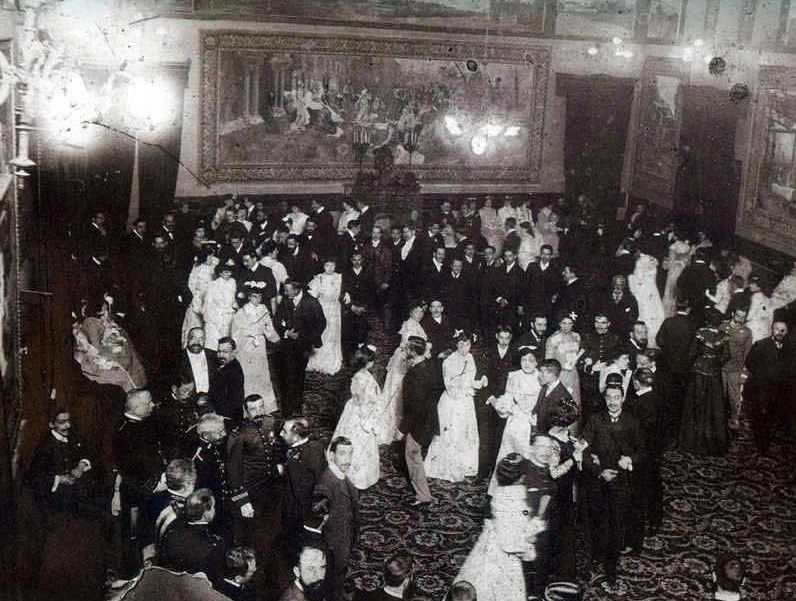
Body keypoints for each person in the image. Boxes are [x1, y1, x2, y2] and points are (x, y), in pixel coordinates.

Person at [581, 385, 645, 593]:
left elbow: (643, 451)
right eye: (609, 397)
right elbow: (583, 449)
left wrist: (631, 460)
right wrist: (599, 470)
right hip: (598, 480)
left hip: (622, 482)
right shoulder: (595, 420)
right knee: (596, 519)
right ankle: (595, 556)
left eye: (617, 397)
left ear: (623, 398)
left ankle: (611, 567)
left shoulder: (632, 421)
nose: (613, 401)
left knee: (617, 524)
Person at [455, 454, 544, 601]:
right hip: (504, 557)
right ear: (521, 477)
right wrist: (535, 528)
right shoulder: (518, 503)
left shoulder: (499, 493)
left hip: (489, 545)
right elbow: (512, 543)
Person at [424, 331, 486, 483]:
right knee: (453, 432)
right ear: (456, 345)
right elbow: (451, 386)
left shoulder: (470, 358)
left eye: (468, 344)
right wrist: (471, 386)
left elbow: (469, 379)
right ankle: (447, 467)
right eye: (461, 344)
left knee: (465, 433)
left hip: (465, 400)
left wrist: (478, 383)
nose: (465, 348)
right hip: (453, 401)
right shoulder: (449, 361)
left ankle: (464, 466)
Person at [488, 348, 541, 494]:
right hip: (515, 420)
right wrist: (504, 406)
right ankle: (502, 490)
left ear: (536, 362)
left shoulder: (540, 377)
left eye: (531, 360)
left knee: (526, 455)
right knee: (509, 452)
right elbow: (507, 397)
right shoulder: (513, 376)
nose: (527, 364)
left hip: (531, 422)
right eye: (524, 360)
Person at [72, 294, 147, 392]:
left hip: (108, 359)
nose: (106, 315)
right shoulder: (91, 323)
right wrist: (115, 345)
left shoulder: (99, 322)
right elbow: (97, 349)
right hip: (101, 365)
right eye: (103, 313)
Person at [331, 346, 381, 490]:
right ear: (370, 363)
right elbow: (365, 402)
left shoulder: (357, 374)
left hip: (352, 411)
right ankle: (357, 477)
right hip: (361, 414)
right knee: (360, 444)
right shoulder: (365, 378)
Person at [315, 437, 359, 601]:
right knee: (331, 583)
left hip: (344, 542)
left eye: (350, 453)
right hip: (333, 547)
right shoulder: (325, 484)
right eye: (342, 454)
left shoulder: (342, 477)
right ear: (331, 455)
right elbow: (317, 524)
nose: (348, 459)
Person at [275, 281, 327, 417]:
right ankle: (287, 408)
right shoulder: (285, 302)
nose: (285, 293)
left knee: (299, 375)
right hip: (287, 346)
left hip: (303, 346)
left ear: (297, 289)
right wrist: (286, 333)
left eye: (288, 290)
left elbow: (321, 323)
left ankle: (297, 406)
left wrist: (305, 337)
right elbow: (276, 321)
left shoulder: (311, 302)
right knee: (286, 375)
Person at [380, 300, 427, 445]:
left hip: (410, 357)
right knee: (399, 390)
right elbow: (410, 348)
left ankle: (403, 426)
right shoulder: (409, 325)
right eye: (417, 311)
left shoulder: (416, 324)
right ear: (411, 311)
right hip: (405, 359)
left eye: (422, 312)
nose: (420, 314)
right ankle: (394, 426)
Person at [281, 417, 328, 562]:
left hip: (300, 510)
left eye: (284, 431)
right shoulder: (318, 446)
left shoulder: (294, 459)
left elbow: (298, 491)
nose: (281, 434)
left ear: (295, 437)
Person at [157, 488, 226, 586]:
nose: (215, 509)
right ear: (206, 514)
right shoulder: (214, 544)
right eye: (213, 507)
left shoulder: (173, 527)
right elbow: (215, 581)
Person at [230, 286, 281, 415]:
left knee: (261, 373)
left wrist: (275, 339)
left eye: (259, 297)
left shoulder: (263, 310)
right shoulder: (242, 312)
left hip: (259, 345)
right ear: (249, 297)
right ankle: (247, 407)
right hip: (246, 345)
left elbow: (268, 327)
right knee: (247, 374)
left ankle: (264, 406)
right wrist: (236, 345)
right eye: (254, 296)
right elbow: (235, 331)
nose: (257, 299)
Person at [743, 319, 789, 454]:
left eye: (783, 330)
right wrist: (762, 376)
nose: (779, 333)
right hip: (761, 388)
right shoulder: (761, 345)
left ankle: (766, 439)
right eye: (777, 329)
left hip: (779, 390)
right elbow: (750, 363)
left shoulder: (789, 347)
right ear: (771, 329)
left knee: (772, 416)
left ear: (786, 332)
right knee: (760, 416)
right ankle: (762, 444)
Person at [720, 307, 753, 431]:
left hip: (736, 368)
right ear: (733, 313)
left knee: (734, 395)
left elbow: (747, 353)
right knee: (720, 394)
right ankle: (720, 418)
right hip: (722, 367)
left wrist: (744, 371)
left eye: (743, 317)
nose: (740, 319)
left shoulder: (747, 331)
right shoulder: (722, 326)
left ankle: (734, 418)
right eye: (738, 316)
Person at [181, 249, 219, 349]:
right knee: (195, 323)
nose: (211, 258)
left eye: (212, 256)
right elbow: (191, 284)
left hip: (211, 300)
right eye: (209, 256)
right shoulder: (197, 268)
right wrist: (197, 296)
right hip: (198, 299)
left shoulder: (214, 267)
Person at [545, 314, 582, 409]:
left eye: (570, 323)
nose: (566, 326)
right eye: (564, 323)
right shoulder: (553, 338)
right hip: (560, 374)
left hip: (573, 374)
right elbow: (548, 361)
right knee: (560, 401)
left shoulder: (576, 337)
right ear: (559, 323)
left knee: (574, 401)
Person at [203, 259, 238, 351]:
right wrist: (211, 318)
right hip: (216, 317)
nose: (229, 274)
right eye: (226, 272)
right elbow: (208, 302)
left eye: (230, 272)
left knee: (227, 343)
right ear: (220, 273)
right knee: (214, 342)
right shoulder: (213, 285)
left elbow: (233, 300)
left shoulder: (232, 282)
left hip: (229, 316)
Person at [209, 337, 245, 424]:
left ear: (234, 353)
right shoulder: (227, 365)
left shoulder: (232, 371)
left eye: (225, 352)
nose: (221, 355)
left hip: (228, 418)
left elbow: (231, 402)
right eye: (219, 351)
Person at [180, 327, 218, 395]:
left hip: (212, 401)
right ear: (187, 339)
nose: (197, 342)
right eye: (193, 338)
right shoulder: (177, 358)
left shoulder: (214, 356)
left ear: (205, 340)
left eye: (201, 339)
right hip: (187, 402)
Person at [661, 233, 691, 318]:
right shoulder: (687, 247)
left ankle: (668, 313)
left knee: (670, 291)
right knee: (679, 290)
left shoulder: (673, 247)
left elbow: (669, 262)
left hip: (673, 271)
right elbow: (688, 262)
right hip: (682, 271)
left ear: (676, 236)